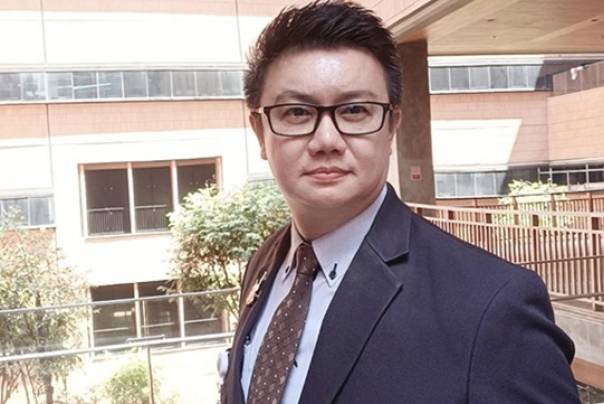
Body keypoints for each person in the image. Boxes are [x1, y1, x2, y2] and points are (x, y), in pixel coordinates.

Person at [221, 1, 579, 403]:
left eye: (355, 110)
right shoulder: (267, 262)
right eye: (297, 112)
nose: (326, 141)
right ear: (260, 131)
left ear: (392, 125)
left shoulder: (493, 305)